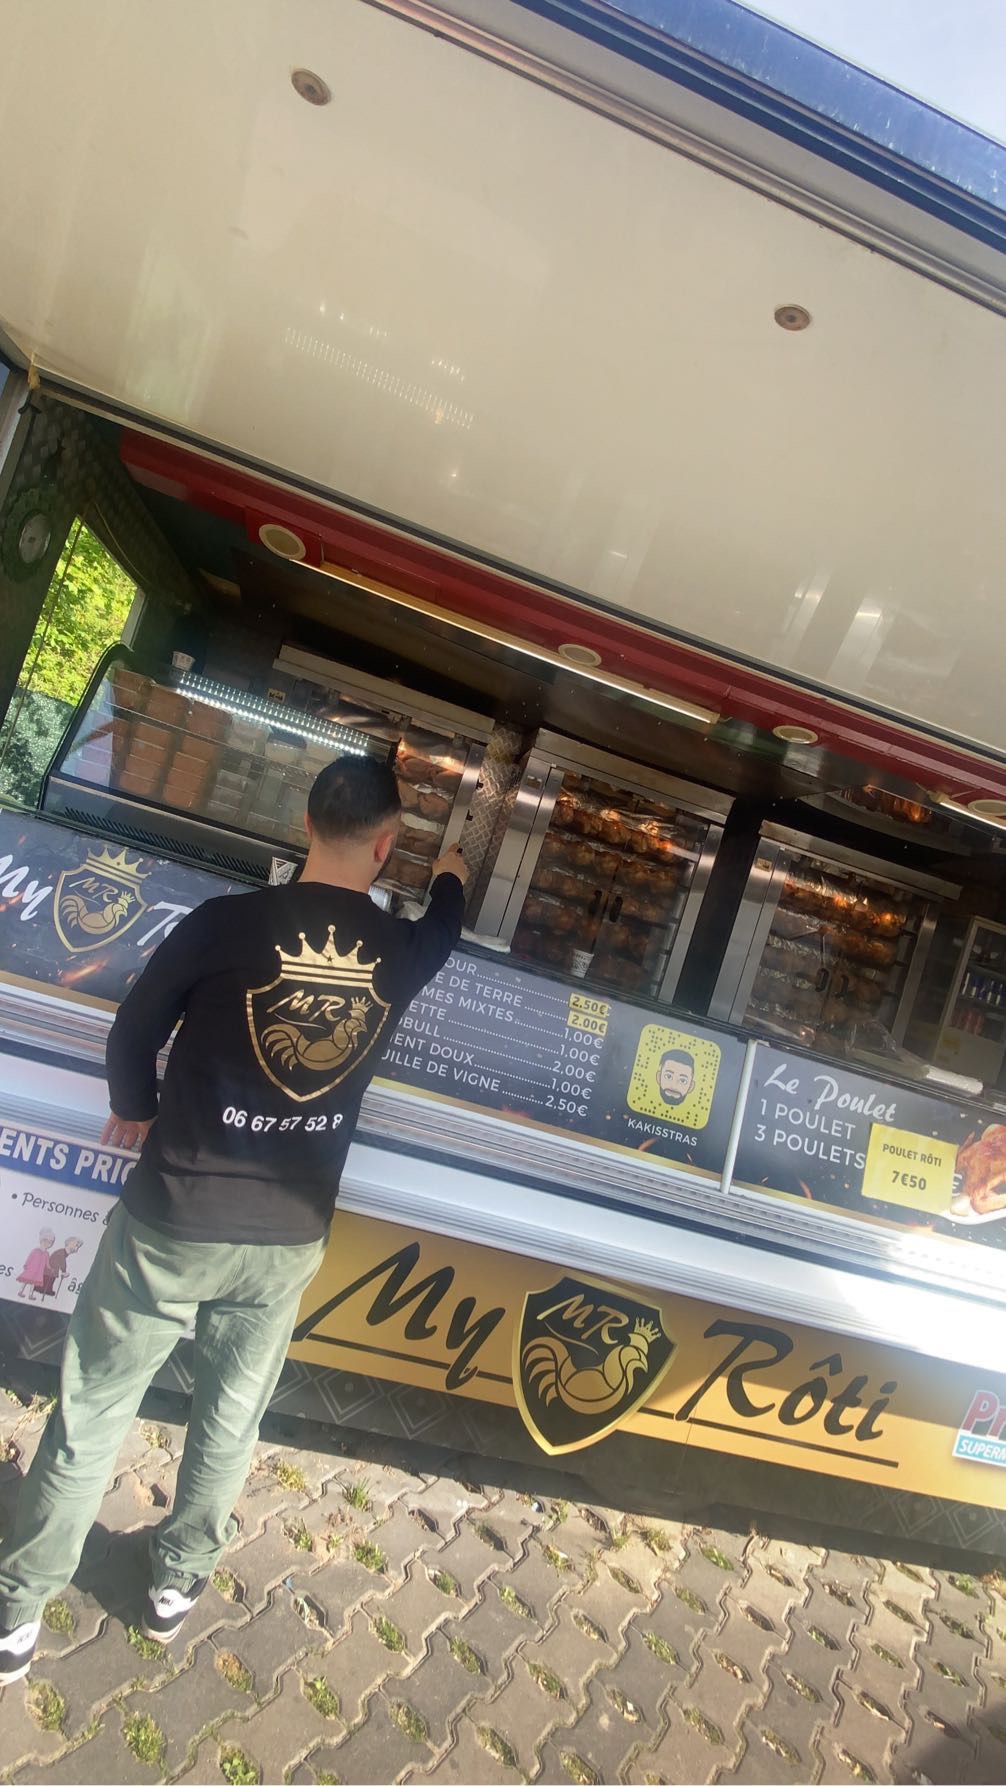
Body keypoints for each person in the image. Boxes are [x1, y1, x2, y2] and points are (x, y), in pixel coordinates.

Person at [0, 757, 467, 1683]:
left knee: (95, 1409)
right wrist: (450, 867)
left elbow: (133, 1030)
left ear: (305, 824)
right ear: (385, 848)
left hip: (172, 1218)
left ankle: (17, 1615)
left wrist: (134, 1105)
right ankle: (176, 1586)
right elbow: (446, 923)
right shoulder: (399, 952)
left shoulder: (224, 923)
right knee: (230, 1416)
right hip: (286, 1236)